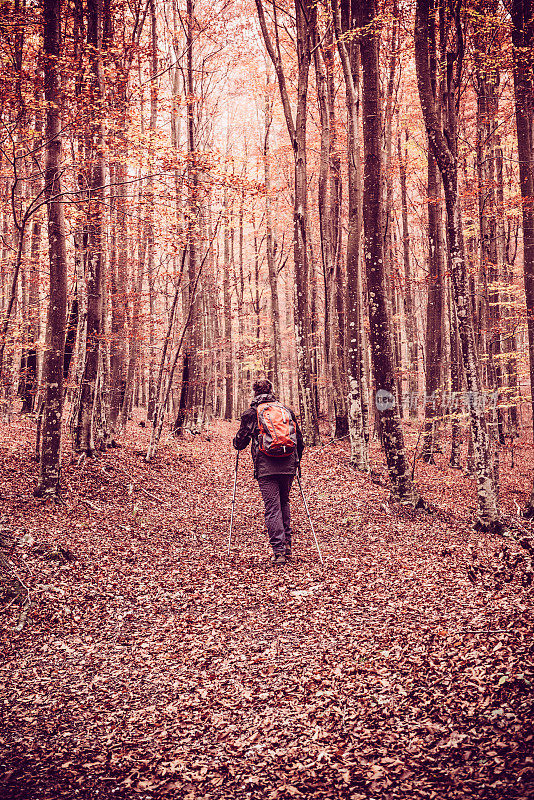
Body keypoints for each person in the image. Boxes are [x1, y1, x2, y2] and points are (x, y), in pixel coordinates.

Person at [233, 379, 304, 565]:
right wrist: (296, 463)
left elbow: (240, 442)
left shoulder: (251, 414)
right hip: (288, 464)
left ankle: (279, 552)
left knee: (272, 508)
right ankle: (287, 546)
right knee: (284, 502)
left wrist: (237, 441)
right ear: (272, 390)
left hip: (266, 467)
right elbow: (300, 440)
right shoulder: (286, 411)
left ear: (254, 392)